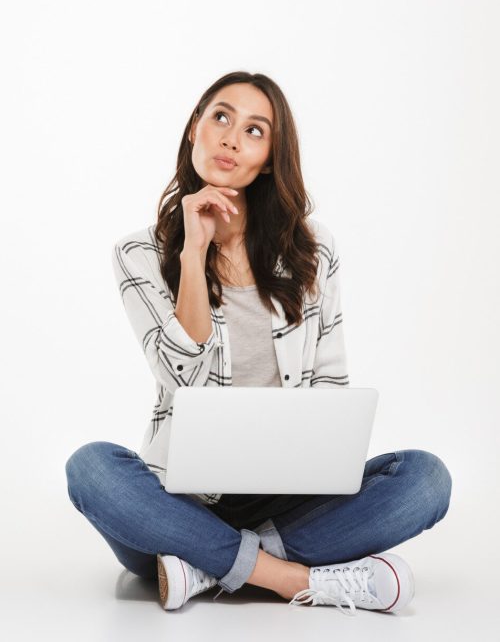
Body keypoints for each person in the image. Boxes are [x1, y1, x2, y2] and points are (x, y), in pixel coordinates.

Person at [65, 71, 452, 615]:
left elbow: (330, 388)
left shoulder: (313, 251)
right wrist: (193, 254)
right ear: (194, 129)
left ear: (270, 157)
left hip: (292, 499)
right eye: (220, 118)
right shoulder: (140, 252)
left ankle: (207, 567)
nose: (230, 137)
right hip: (181, 501)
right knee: (90, 468)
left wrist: (316, 460)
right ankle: (293, 577)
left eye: (254, 130)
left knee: (426, 479)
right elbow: (183, 379)